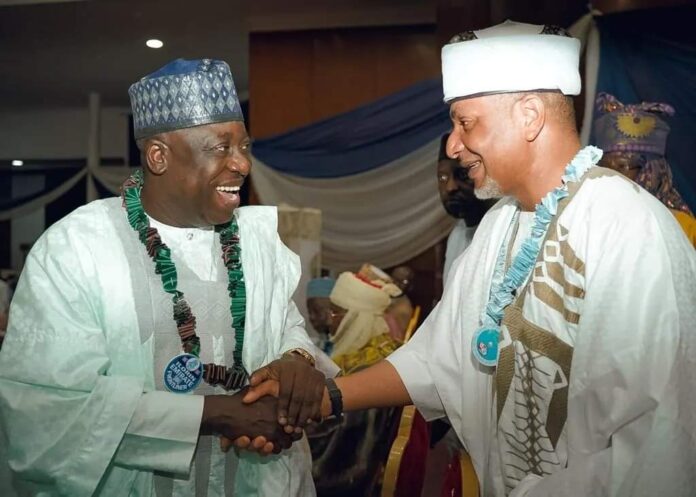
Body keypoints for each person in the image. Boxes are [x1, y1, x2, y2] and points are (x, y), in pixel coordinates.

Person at [245, 21, 696, 496]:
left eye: (465, 122)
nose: (454, 145)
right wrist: (327, 397)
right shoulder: (501, 225)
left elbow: (661, 436)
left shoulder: (628, 227)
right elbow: (443, 361)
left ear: (529, 116)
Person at [0, 58, 327, 497]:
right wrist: (216, 414)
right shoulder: (77, 248)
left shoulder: (254, 240)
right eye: (221, 148)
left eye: (245, 147)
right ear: (159, 156)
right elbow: (46, 406)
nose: (243, 165)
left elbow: (285, 325)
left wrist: (296, 360)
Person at [307, 271, 401, 497]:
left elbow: (334, 446)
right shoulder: (380, 349)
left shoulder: (369, 370)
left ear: (355, 318)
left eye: (336, 312)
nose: (331, 319)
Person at [593, 92, 696, 246]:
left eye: (623, 166)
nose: (612, 176)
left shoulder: (683, 229)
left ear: (652, 172)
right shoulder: (590, 220)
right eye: (605, 167)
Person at [437, 133, 496, 283]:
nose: (450, 187)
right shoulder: (456, 234)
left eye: (462, 175)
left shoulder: (498, 233)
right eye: (443, 177)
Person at [385, 265, 415, 341]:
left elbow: (396, 338)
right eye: (394, 279)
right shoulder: (384, 294)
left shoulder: (404, 307)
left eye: (403, 281)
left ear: (410, 286)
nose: (397, 284)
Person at [306, 277, 336, 353]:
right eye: (309, 312)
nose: (311, 317)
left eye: (317, 311)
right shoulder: (315, 346)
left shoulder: (349, 346)